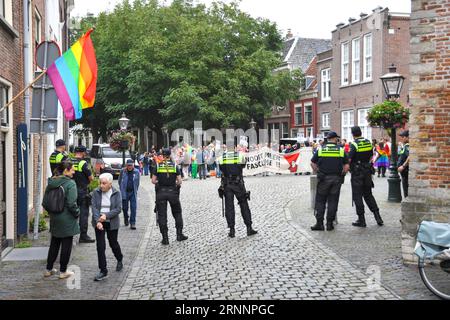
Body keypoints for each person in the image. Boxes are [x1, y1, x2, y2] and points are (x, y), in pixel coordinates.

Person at [43, 161, 79, 279]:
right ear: (66, 170)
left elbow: (45, 202)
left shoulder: (51, 182)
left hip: (54, 218)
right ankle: (63, 271)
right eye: (72, 169)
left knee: (54, 243)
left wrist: (52, 213)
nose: (74, 171)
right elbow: (71, 203)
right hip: (67, 218)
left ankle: (48, 269)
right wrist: (77, 213)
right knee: (66, 245)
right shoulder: (70, 184)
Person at [310, 132, 349, 231]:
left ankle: (319, 224)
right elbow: (346, 166)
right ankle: (330, 224)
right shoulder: (340, 150)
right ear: (335, 139)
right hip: (336, 179)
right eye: (337, 138)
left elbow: (312, 163)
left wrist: (318, 171)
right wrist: (342, 174)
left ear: (328, 139)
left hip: (323, 179)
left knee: (320, 201)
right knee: (333, 201)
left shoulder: (321, 149)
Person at [218, 146, 257, 238]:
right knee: (244, 205)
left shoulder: (222, 157)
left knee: (229, 207)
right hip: (238, 184)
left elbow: (222, 169)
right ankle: (249, 228)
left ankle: (232, 230)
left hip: (227, 185)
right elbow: (243, 166)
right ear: (235, 147)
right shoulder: (240, 156)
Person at [348, 126, 383, 227]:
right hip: (367, 172)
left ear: (353, 134)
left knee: (357, 196)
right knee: (368, 195)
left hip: (357, 173)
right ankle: (378, 217)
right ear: (361, 132)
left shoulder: (354, 144)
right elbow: (372, 156)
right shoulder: (368, 142)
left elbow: (349, 159)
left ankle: (361, 220)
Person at [91, 173, 124, 281]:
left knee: (113, 243)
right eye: (100, 183)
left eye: (104, 183)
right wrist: (97, 221)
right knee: (100, 246)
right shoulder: (96, 192)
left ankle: (119, 258)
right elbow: (94, 208)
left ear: (110, 184)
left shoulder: (116, 193)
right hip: (99, 222)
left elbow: (118, 209)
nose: (101, 185)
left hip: (111, 222)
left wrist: (106, 216)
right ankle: (103, 270)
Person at [152, 148, 187, 245]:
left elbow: (153, 181)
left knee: (162, 215)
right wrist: (174, 183)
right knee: (177, 213)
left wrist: (160, 182)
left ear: (162, 155)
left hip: (161, 193)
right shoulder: (175, 166)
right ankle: (179, 235)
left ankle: (165, 238)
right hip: (173, 192)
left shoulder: (158, 166)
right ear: (170, 155)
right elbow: (179, 181)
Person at [72, 146, 95, 243]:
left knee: (71, 212)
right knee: (84, 214)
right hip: (82, 191)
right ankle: (83, 236)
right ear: (83, 153)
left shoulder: (69, 161)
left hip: (71, 190)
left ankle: (70, 234)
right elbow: (91, 178)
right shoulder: (83, 163)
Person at [119, 159, 140, 229]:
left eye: (131, 165)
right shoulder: (123, 171)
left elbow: (137, 182)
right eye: (128, 165)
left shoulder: (136, 172)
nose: (130, 167)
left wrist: (135, 190)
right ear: (126, 165)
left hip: (133, 192)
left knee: (133, 208)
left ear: (133, 165)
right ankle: (126, 218)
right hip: (125, 192)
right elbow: (119, 181)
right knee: (125, 208)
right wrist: (122, 189)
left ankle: (132, 223)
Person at [398, 130, 410, 198]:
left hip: (405, 171)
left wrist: (403, 166)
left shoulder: (407, 146)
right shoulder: (405, 145)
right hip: (404, 172)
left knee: (406, 190)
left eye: (403, 136)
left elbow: (410, 156)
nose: (401, 138)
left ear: (407, 137)